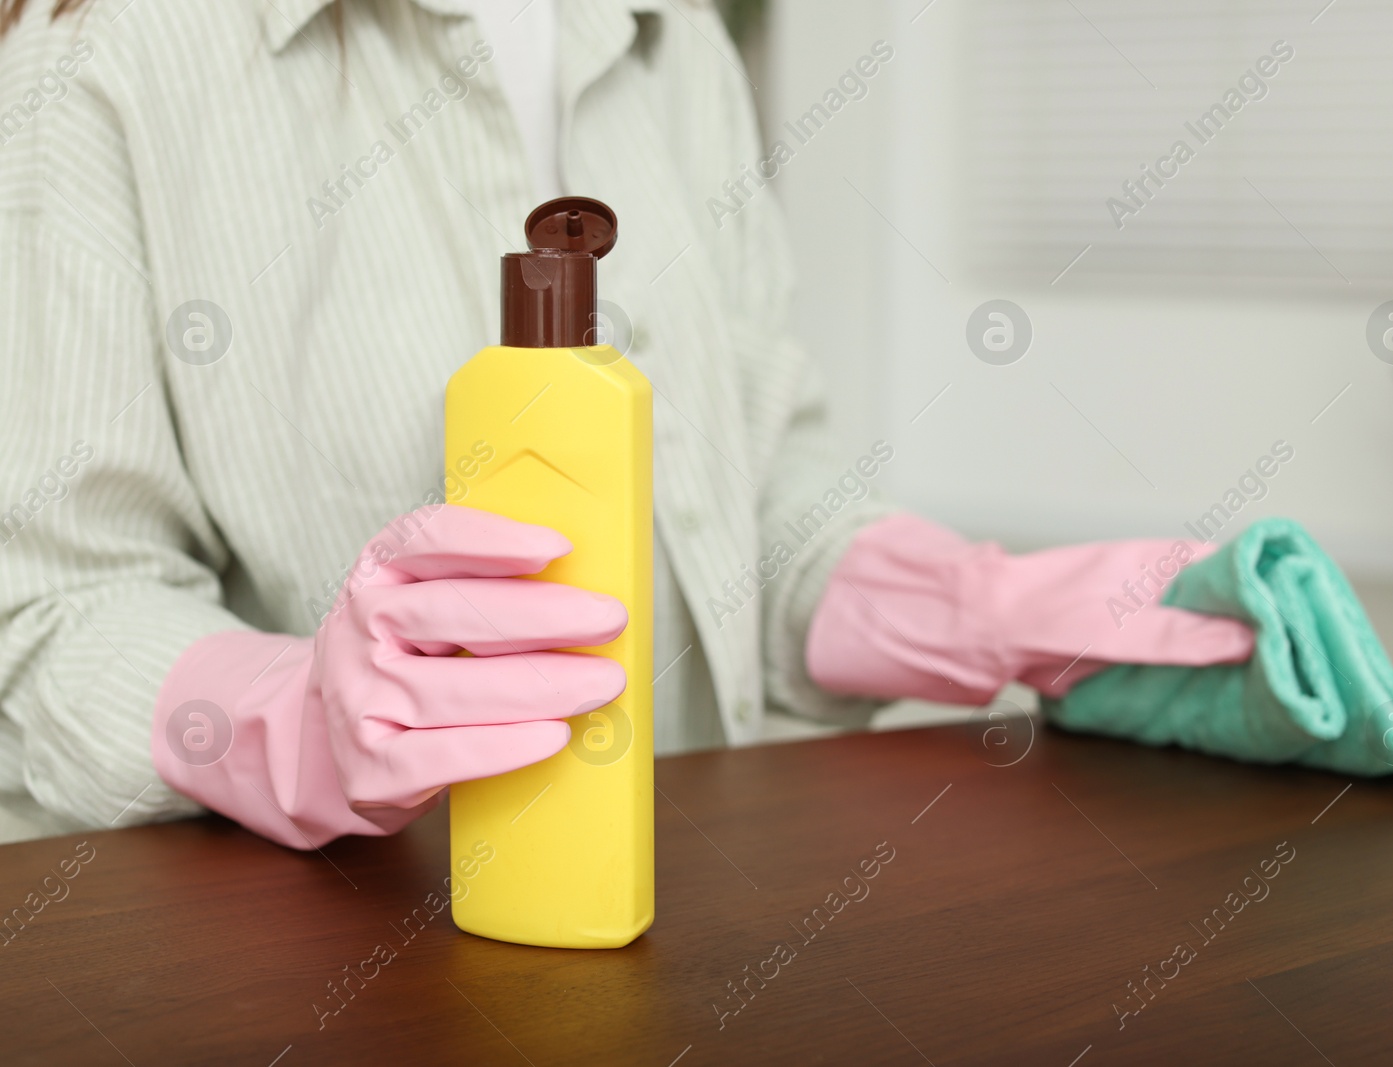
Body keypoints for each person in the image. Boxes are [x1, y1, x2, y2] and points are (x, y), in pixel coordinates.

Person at [0, 0, 1252, 846]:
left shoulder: (675, 40)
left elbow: (743, 504)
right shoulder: (108, 60)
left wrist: (970, 604)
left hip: (687, 922)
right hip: (322, 974)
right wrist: (291, 718)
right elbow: (50, 613)